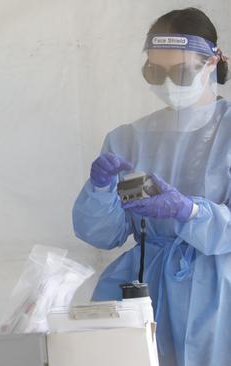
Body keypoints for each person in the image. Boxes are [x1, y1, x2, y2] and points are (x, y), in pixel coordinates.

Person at [73, 8, 231, 366]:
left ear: (211, 65)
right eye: (155, 72)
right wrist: (99, 191)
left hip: (218, 293)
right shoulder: (130, 139)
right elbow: (104, 234)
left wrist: (187, 211)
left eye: (180, 72)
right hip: (145, 287)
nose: (167, 83)